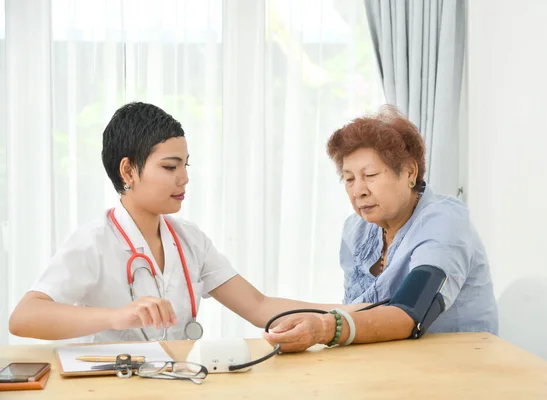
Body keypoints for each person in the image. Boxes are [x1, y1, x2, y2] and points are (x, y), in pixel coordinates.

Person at [8, 102, 360, 343]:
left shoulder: (189, 239)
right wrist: (116, 317)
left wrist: (352, 314)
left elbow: (258, 306)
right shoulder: (94, 241)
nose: (184, 179)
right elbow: (24, 318)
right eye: (170, 167)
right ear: (128, 170)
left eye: (185, 166)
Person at [263, 106, 498, 352]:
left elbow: (411, 313)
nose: (358, 191)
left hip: (461, 365)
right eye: (349, 179)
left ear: (409, 172)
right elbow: (357, 311)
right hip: (392, 360)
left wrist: (324, 327)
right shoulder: (357, 229)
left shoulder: (444, 223)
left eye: (371, 175)